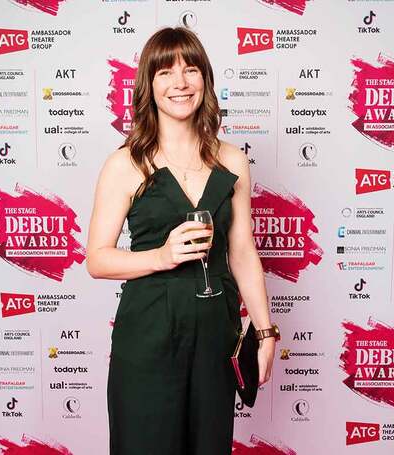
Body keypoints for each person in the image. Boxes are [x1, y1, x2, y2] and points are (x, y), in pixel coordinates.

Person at [86, 26, 277, 455]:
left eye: (191, 70)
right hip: (147, 340)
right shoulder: (125, 165)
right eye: (166, 73)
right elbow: (97, 260)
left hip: (215, 339)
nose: (180, 83)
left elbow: (243, 251)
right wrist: (161, 255)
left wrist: (265, 333)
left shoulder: (232, 160)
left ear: (205, 80)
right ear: (148, 85)